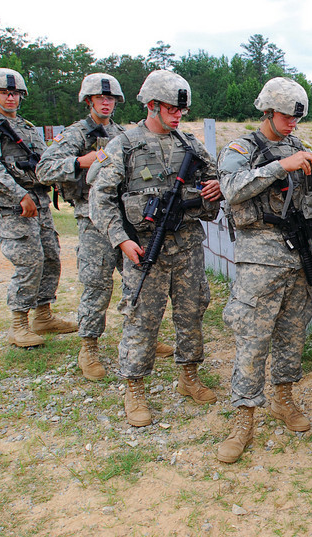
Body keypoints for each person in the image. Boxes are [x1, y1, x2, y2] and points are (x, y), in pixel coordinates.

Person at [216, 77, 312, 464]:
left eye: (297, 117)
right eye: (287, 116)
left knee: (292, 334)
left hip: (299, 256)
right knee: (253, 340)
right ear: (267, 111)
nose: (293, 124)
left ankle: (283, 398)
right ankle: (243, 418)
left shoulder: (301, 149)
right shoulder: (242, 148)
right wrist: (278, 165)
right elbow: (232, 189)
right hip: (260, 259)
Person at [89, 69, 222, 427]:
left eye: (182, 110)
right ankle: (134, 387)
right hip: (145, 249)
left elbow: (213, 191)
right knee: (142, 319)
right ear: (151, 105)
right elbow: (99, 199)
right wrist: (122, 239)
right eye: (171, 108)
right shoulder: (125, 145)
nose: (178, 115)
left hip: (188, 248)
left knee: (191, 313)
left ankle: (188, 375)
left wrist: (212, 193)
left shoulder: (192, 146)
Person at [37, 73, 174, 381]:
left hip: (124, 218)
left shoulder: (122, 134)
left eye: (111, 98)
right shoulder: (75, 134)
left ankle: (144, 339)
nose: (106, 103)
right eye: (100, 98)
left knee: (138, 282)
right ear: (89, 101)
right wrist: (79, 162)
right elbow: (43, 169)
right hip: (91, 219)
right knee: (97, 284)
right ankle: (89, 347)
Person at [0, 67, 77, 348]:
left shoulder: (26, 128)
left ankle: (43, 316)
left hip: (39, 203)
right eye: (5, 92)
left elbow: (45, 163)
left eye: (15, 93)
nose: (11, 98)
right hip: (13, 205)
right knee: (29, 261)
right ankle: (18, 325)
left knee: (50, 257)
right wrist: (19, 194)